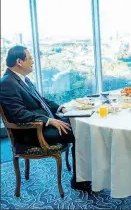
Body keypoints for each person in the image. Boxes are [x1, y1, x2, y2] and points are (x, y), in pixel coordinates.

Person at [0, 46, 91, 191]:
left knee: (80, 123)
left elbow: (41, 100)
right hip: (32, 132)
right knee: (80, 132)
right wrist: (49, 120)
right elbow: (18, 114)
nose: (32, 62)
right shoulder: (7, 83)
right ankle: (79, 181)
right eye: (30, 58)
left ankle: (84, 174)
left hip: (44, 125)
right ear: (19, 61)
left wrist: (60, 108)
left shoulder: (23, 79)